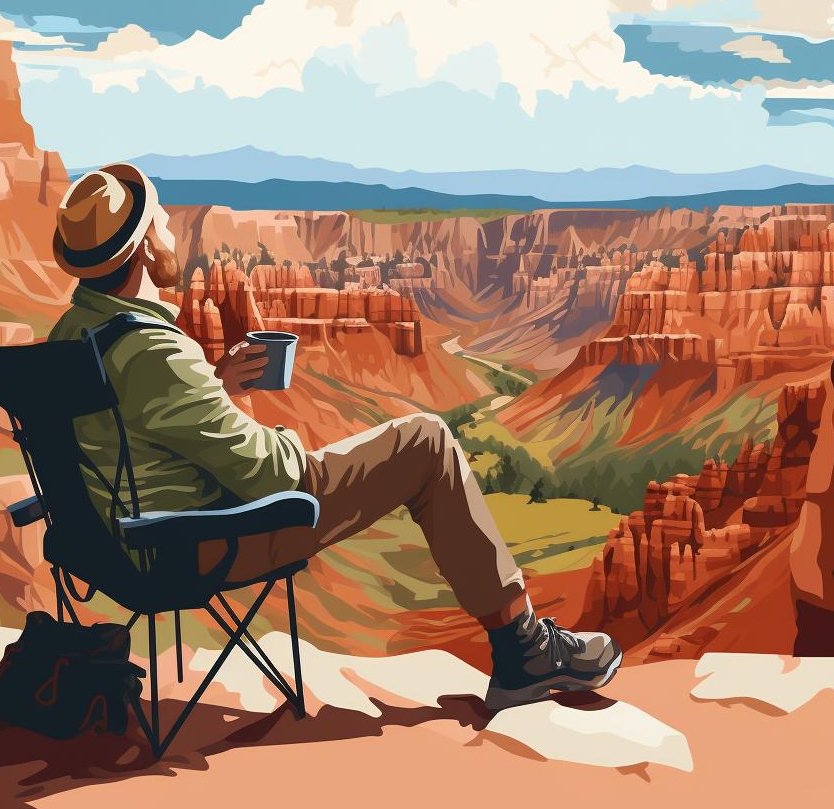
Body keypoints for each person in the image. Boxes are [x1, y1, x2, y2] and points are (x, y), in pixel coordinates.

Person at [49, 164, 621, 711]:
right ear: (146, 247)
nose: (171, 227)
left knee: (403, 443)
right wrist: (285, 437)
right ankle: (524, 650)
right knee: (426, 442)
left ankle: (525, 646)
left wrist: (214, 386)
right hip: (193, 545)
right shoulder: (154, 351)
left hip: (117, 545)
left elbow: (134, 427)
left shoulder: (73, 335)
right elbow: (272, 476)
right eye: (161, 220)